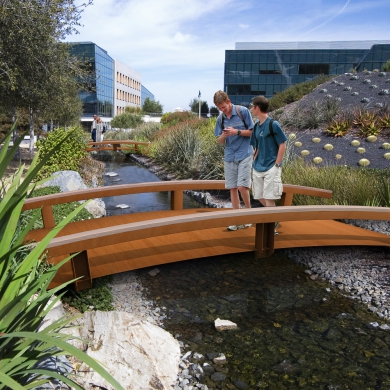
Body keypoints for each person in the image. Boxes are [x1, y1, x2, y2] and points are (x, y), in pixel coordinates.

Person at [213, 90, 254, 231]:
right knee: (233, 188)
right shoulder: (221, 119)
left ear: (228, 101)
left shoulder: (243, 111)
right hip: (230, 155)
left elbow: (252, 132)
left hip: (245, 153)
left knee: (242, 186)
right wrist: (225, 135)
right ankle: (236, 220)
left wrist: (236, 132)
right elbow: (219, 141)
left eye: (223, 107)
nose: (222, 110)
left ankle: (249, 216)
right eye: (219, 108)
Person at [249, 96, 287, 235]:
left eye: (252, 106)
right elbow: (257, 147)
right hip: (258, 166)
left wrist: (277, 165)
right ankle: (275, 217)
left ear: (257, 108)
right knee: (259, 195)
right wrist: (253, 161)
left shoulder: (273, 124)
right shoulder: (256, 126)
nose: (251, 109)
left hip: (271, 166)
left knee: (269, 197)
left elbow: (282, 145)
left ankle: (272, 229)